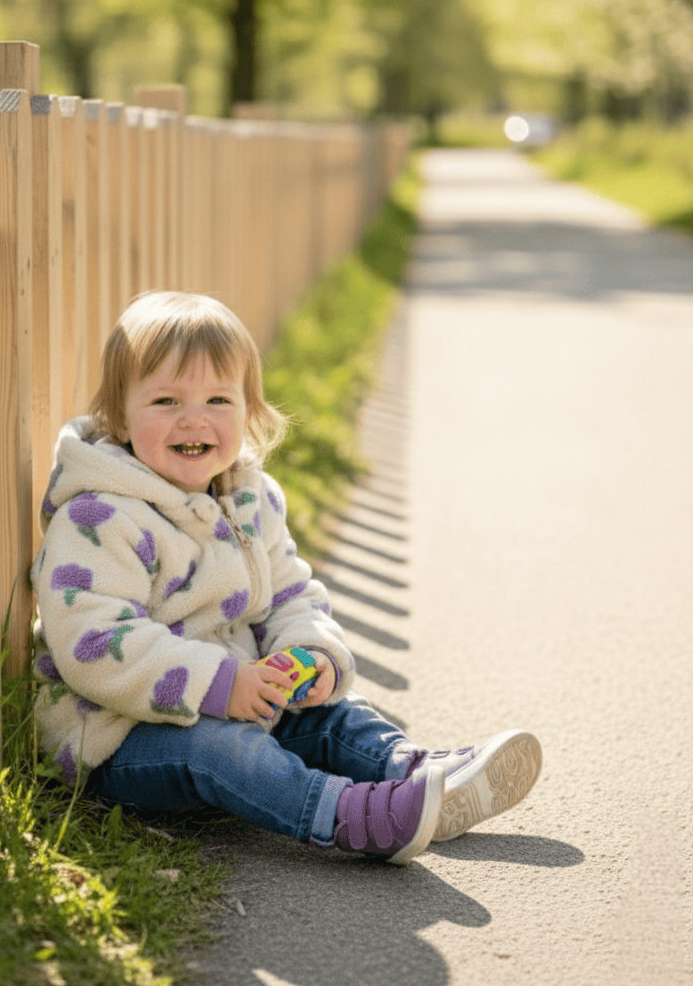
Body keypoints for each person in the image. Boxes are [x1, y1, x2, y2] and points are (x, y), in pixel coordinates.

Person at [30, 291, 542, 865]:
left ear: (248, 412)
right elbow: (97, 642)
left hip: (240, 698)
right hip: (124, 739)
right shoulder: (101, 516)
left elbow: (292, 593)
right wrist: (221, 683)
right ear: (120, 417)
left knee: (332, 715)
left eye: (218, 399)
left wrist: (309, 654)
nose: (194, 418)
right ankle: (344, 814)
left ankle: (420, 776)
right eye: (167, 400)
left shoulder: (249, 499)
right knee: (222, 752)